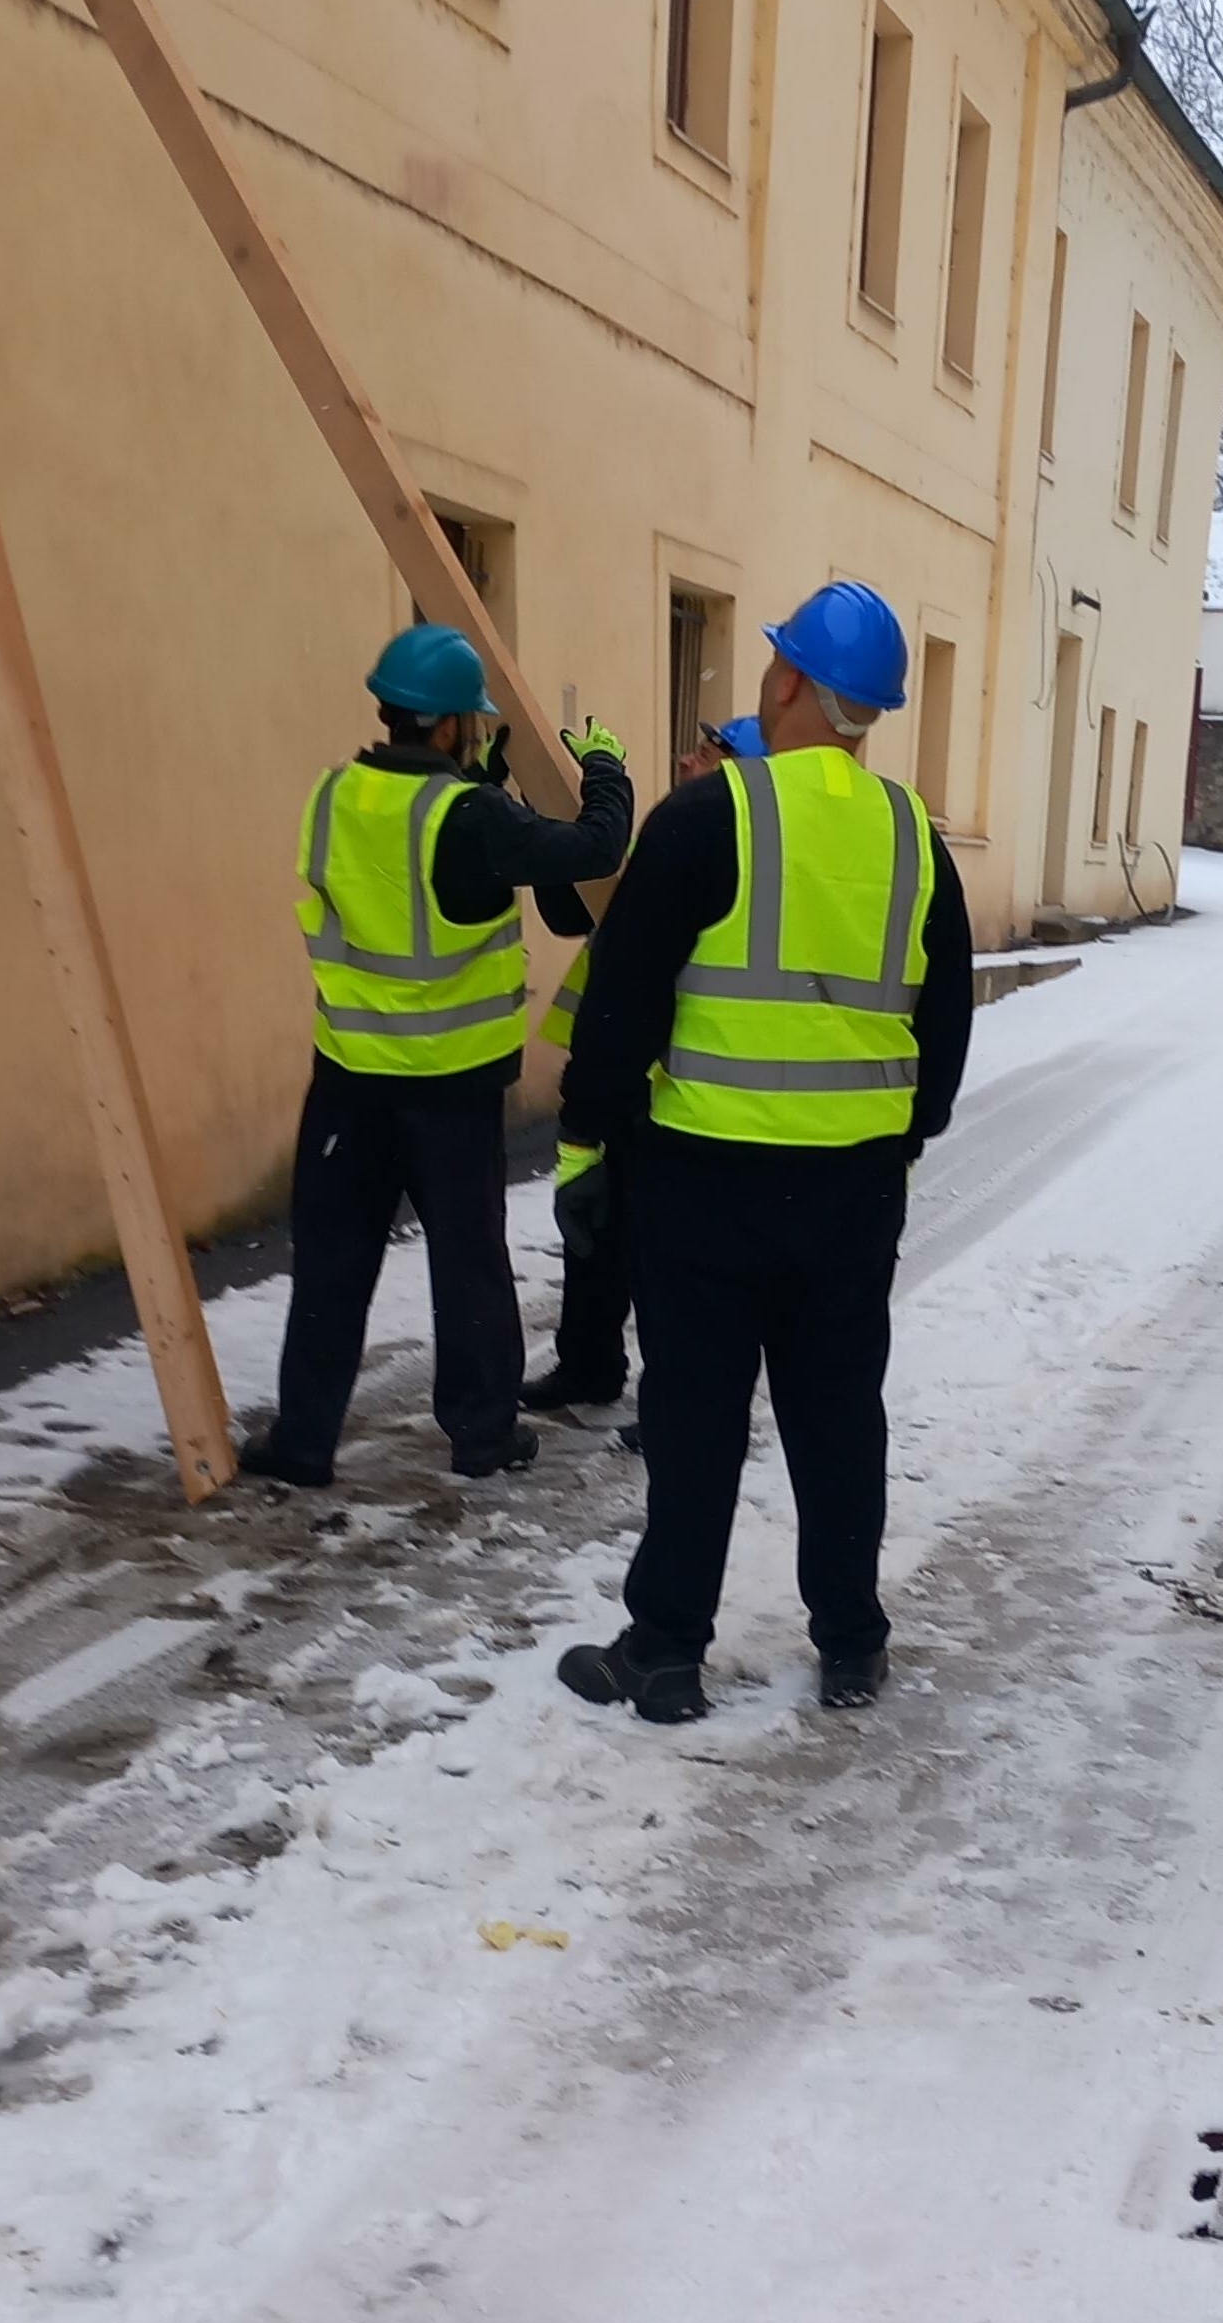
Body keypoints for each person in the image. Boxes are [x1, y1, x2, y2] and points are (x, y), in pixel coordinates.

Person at [546, 589, 970, 1725]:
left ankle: (665, 1654)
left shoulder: (706, 818)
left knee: (695, 1418)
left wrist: (586, 1147)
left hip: (704, 1184)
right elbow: (944, 1026)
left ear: (786, 682)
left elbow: (620, 1007)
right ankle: (851, 1645)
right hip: (852, 1192)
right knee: (839, 1417)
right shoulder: (914, 839)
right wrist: (899, 1145)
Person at [241, 626, 630, 1489]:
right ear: (452, 723)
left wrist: (481, 783)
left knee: (332, 1267)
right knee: (469, 1266)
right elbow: (594, 847)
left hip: (347, 1085)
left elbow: (407, 863)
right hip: (449, 1094)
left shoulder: (333, 795)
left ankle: (303, 1443)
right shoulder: (473, 819)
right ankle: (483, 1435)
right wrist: (605, 770)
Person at [521, 716, 761, 1436]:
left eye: (706, 753)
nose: (686, 759)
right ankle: (589, 1363)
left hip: (683, 1084)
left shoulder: (737, 862)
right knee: (597, 1230)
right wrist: (553, 815)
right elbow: (572, 910)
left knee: (666, 1254)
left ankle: (674, 1399)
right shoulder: (669, 838)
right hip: (622, 1072)